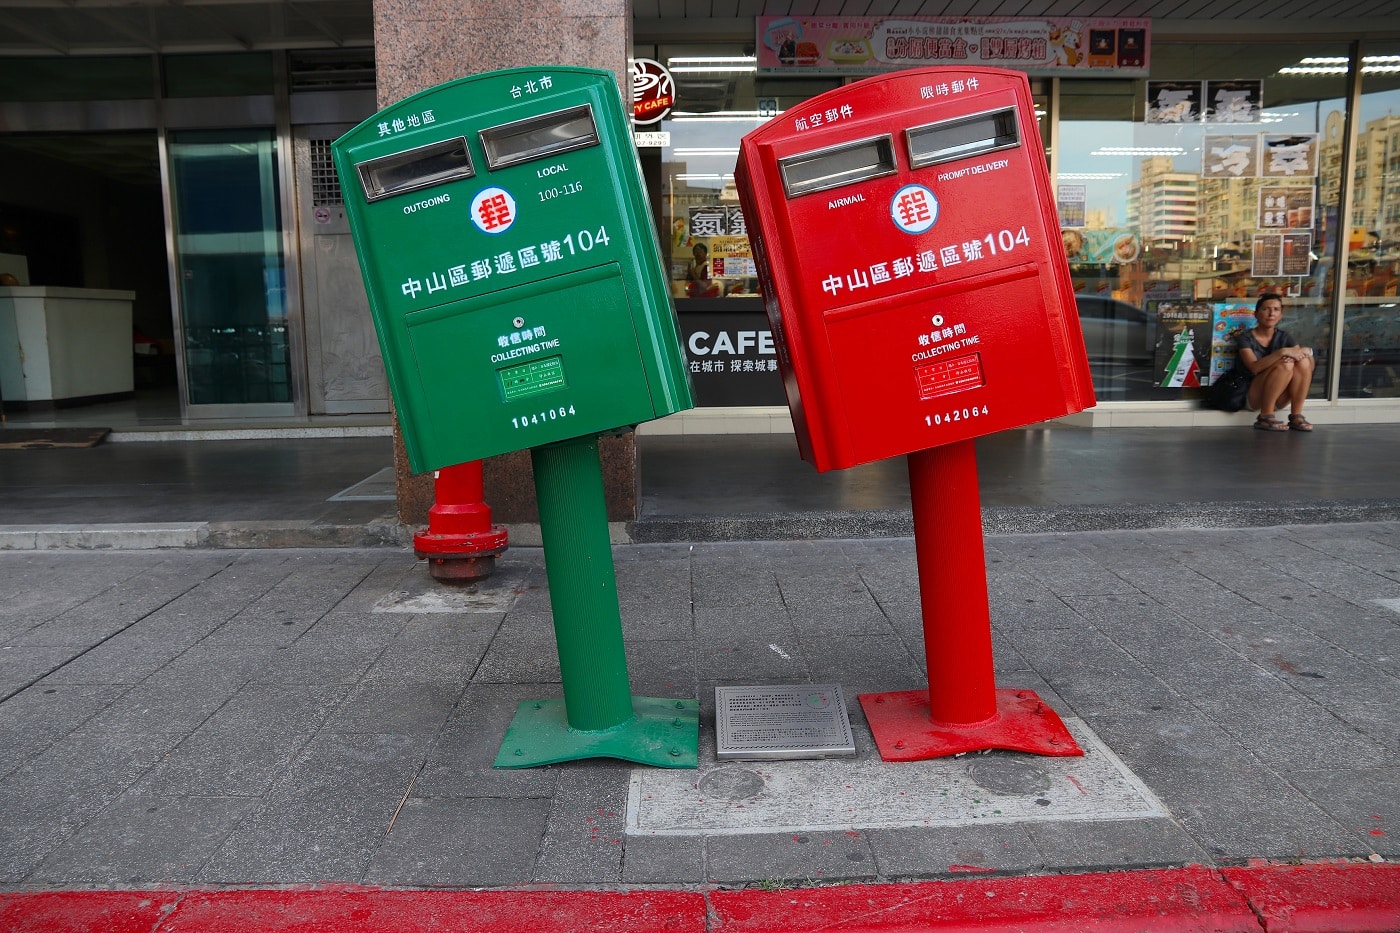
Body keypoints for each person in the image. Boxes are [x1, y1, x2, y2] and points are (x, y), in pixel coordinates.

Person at [1236, 292, 1315, 431]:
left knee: (1303, 362)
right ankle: (1265, 416)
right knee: (1286, 363)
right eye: (1266, 309)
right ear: (1256, 314)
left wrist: (1308, 353)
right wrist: (1281, 352)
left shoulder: (1285, 336)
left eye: (1276, 309)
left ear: (1281, 315)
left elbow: (1308, 367)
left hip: (1279, 396)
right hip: (1252, 395)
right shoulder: (1245, 338)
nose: (1271, 313)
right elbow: (1254, 368)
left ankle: (1296, 415)